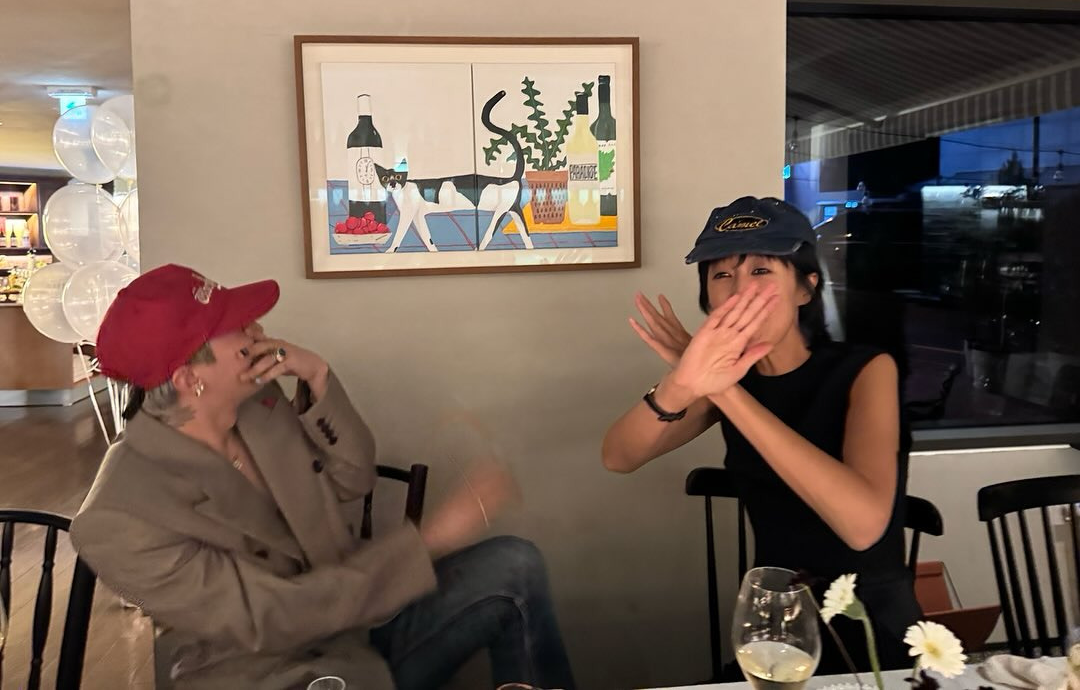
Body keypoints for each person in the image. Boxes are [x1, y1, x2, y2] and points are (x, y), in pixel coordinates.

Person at [71, 264, 575, 690]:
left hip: (359, 626)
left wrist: (317, 376)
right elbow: (275, 617)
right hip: (272, 671)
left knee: (515, 563)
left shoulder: (259, 406)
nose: (257, 330)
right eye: (238, 327)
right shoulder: (119, 517)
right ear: (189, 377)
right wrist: (429, 542)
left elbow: (353, 478)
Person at [601, 196, 919, 673]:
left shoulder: (867, 370)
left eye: (761, 271)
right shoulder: (728, 384)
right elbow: (618, 455)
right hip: (777, 623)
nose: (740, 291)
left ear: (806, 288)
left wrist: (722, 388)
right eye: (722, 275)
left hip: (873, 629)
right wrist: (681, 383)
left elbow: (863, 526)